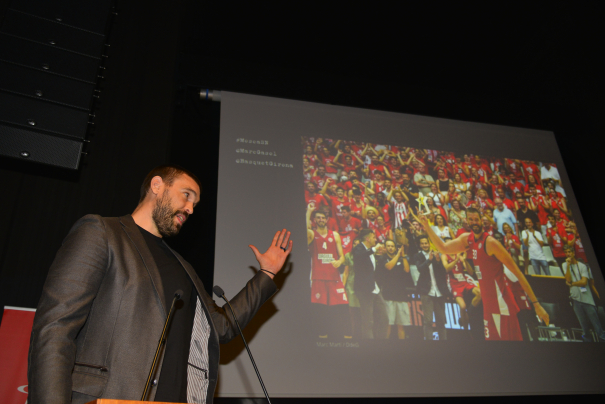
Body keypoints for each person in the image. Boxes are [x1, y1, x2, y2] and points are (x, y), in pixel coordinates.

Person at [28, 165, 293, 404]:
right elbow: (55, 328)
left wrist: (266, 273)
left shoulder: (183, 268)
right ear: (157, 186)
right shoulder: (102, 233)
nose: (190, 208)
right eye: (187, 195)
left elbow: (221, 327)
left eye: (195, 203)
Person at [413, 208, 549, 341]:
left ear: (481, 220)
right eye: (471, 220)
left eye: (477, 219)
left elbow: (518, 273)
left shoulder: (491, 243)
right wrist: (427, 226)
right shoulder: (468, 239)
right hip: (488, 305)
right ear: (467, 221)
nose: (474, 222)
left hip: (501, 304)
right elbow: (443, 248)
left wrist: (537, 305)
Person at [306, 204, 349, 338]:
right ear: (315, 220)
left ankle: (345, 337)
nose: (320, 220)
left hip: (334, 276)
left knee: (342, 306)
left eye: (322, 218)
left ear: (326, 219)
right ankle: (322, 338)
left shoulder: (335, 235)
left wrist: (339, 261)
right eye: (317, 218)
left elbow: (342, 256)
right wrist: (309, 212)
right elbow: (305, 229)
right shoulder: (312, 234)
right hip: (318, 277)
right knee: (321, 310)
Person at [563, 245, 605, 342]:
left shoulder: (582, 266)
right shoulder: (565, 265)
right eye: (566, 252)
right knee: (584, 327)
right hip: (575, 299)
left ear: (573, 253)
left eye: (569, 252)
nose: (568, 254)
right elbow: (568, 279)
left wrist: (571, 284)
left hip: (587, 299)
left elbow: (583, 282)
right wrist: (568, 266)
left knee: (597, 326)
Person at [352, 229, 388, 339]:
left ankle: (380, 343)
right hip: (364, 289)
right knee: (368, 321)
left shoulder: (370, 251)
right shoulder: (359, 248)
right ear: (367, 238)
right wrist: (373, 249)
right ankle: (369, 348)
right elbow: (359, 256)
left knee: (384, 318)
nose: (375, 239)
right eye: (373, 237)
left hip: (375, 287)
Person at [413, 236, 450, 340]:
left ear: (429, 244)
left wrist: (438, 261)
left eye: (426, 243)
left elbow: (443, 272)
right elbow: (420, 269)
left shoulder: (436, 254)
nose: (425, 245)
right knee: (428, 321)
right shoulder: (418, 256)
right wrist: (429, 260)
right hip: (426, 291)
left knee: (441, 321)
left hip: (439, 291)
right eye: (423, 243)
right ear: (420, 245)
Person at [377, 240, 412, 339]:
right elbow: (389, 266)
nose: (391, 248)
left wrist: (403, 255)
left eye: (392, 246)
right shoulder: (383, 258)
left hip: (401, 295)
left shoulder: (402, 258)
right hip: (388, 295)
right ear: (385, 247)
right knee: (388, 324)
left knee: (401, 325)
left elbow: (407, 270)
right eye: (388, 246)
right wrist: (397, 255)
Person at [441, 248, 480, 331]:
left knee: (480, 293)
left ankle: (467, 314)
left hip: (463, 281)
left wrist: (465, 260)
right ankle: (466, 331)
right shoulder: (444, 256)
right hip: (453, 283)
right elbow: (447, 268)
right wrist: (456, 260)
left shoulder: (459, 256)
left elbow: (471, 272)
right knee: (462, 306)